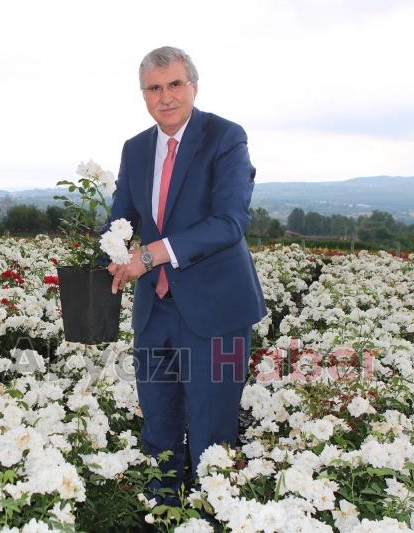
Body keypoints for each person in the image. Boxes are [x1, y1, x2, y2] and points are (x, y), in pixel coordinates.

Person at [106, 46, 267, 503]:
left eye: (175, 84)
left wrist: (152, 254)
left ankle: (212, 517)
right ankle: (163, 515)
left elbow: (229, 222)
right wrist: (112, 251)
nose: (166, 96)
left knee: (212, 440)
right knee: (158, 433)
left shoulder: (225, 137)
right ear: (143, 95)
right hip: (154, 312)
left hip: (216, 314)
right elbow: (122, 216)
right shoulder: (136, 149)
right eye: (154, 88)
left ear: (193, 86)